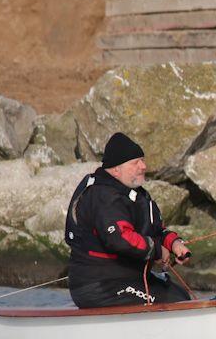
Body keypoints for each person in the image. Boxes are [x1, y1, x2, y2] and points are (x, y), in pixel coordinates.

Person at [64, 132, 192, 308]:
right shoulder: (103, 196)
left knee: (179, 295)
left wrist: (174, 244)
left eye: (142, 160)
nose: (143, 166)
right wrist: (157, 250)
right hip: (99, 285)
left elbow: (156, 231)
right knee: (172, 302)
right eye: (135, 163)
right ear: (116, 170)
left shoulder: (136, 195)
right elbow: (120, 239)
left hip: (127, 278)